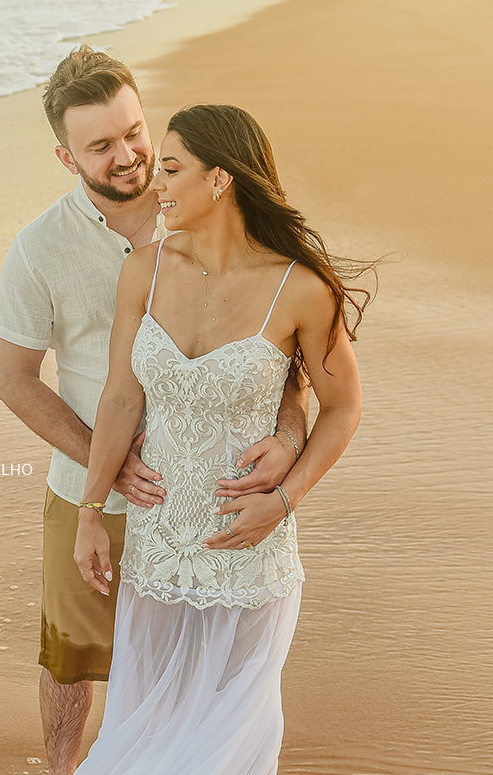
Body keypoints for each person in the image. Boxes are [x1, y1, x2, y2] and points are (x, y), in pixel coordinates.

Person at [0, 46, 308, 775]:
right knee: (72, 658)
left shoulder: (215, 212)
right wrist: (104, 465)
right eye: (100, 145)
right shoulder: (38, 250)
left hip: (214, 490)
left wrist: (290, 437)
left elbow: (288, 353)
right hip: (90, 486)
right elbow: (13, 378)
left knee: (215, 664)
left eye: (134, 131)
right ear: (66, 157)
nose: (129, 154)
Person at [72, 103, 368, 774]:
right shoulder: (142, 271)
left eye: (172, 169)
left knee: (222, 749)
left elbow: (344, 407)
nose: (158, 186)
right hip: (157, 546)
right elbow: (121, 395)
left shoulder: (300, 287)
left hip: (248, 550)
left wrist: (285, 499)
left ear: (221, 179)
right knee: (143, 730)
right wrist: (92, 510)